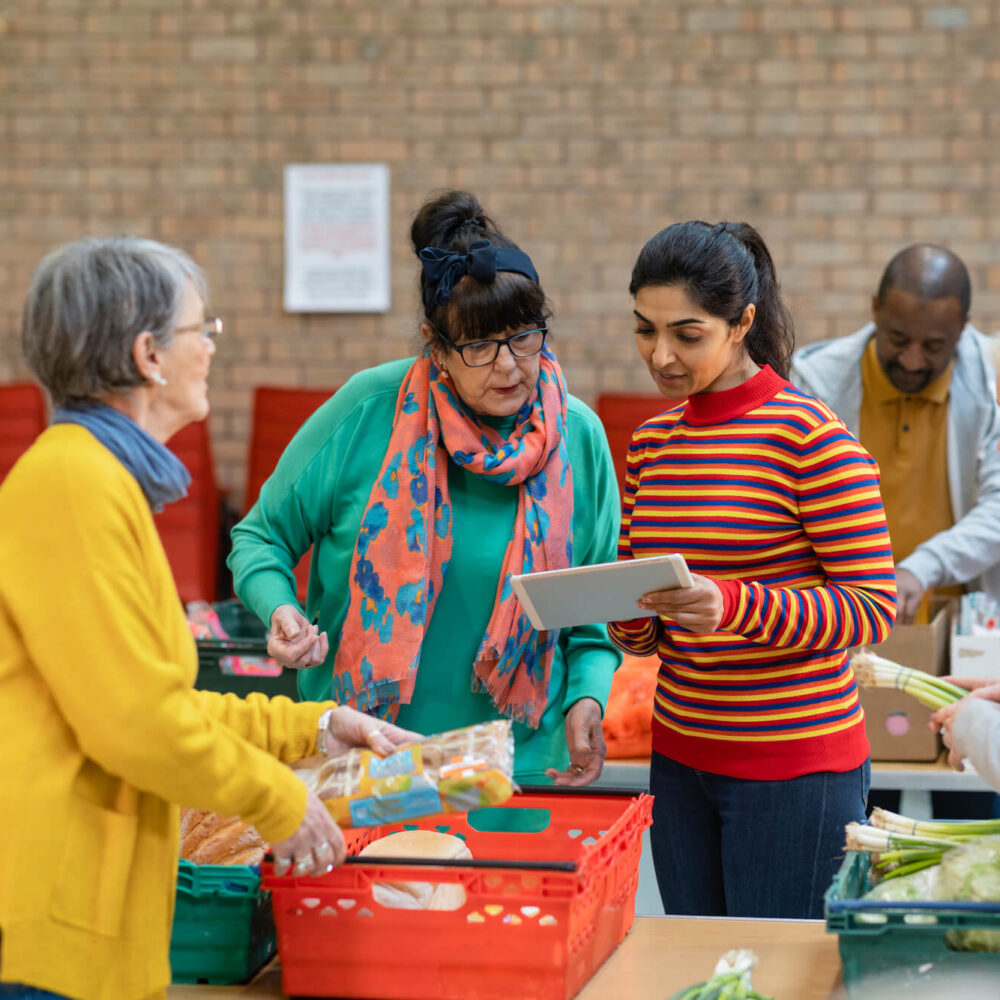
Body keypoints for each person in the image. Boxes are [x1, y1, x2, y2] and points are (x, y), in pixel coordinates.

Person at [0, 237, 415, 1000]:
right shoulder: (70, 484)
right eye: (204, 331)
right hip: (49, 932)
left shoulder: (103, 481)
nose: (212, 350)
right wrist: (278, 800)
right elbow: (136, 723)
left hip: (96, 927)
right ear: (149, 353)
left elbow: (165, 703)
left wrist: (316, 728)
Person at [228, 190, 622, 786]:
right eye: (479, 346)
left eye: (524, 337)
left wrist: (588, 699)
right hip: (366, 759)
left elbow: (593, 611)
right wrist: (281, 609)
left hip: (517, 768)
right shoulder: (369, 410)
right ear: (435, 347)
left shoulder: (578, 437)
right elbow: (260, 538)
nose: (510, 366)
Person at [607, 221, 897, 919]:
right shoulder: (651, 446)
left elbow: (871, 607)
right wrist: (626, 612)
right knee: (703, 975)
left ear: (742, 323)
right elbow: (647, 619)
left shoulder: (810, 438)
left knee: (776, 979)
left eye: (687, 333)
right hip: (679, 761)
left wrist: (733, 606)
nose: (662, 355)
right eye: (645, 330)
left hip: (795, 770)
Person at [791, 244, 1000, 624]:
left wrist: (923, 568)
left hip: (958, 622)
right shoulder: (812, 386)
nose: (912, 360)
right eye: (898, 339)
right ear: (875, 310)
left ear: (963, 325)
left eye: (935, 346)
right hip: (836, 621)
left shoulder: (991, 388)